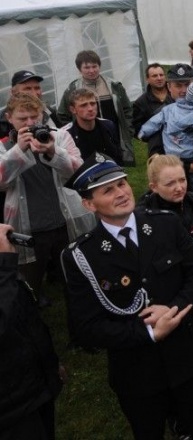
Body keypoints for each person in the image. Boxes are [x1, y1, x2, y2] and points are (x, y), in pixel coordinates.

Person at [61, 153, 193, 439]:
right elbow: (86, 328)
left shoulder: (165, 224)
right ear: (89, 204)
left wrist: (172, 309)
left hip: (189, 358)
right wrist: (148, 334)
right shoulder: (80, 257)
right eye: (108, 190)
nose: (122, 192)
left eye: (123, 183)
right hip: (137, 373)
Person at [0, 94, 92, 305]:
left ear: (42, 115)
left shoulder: (59, 137)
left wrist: (52, 151)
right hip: (27, 228)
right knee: (27, 285)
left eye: (35, 117)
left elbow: (79, 171)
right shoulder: (3, 147)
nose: (30, 124)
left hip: (65, 223)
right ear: (9, 118)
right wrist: (18, 150)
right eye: (23, 118)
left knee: (75, 282)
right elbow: (1, 180)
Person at [137, 154, 193, 357]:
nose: (179, 187)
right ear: (153, 187)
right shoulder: (144, 220)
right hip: (173, 300)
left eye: (182, 180)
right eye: (170, 183)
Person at [0, 222, 63, 440]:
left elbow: (24, 316)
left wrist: (48, 362)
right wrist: (4, 266)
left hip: (32, 385)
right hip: (11, 410)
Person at [57, 50, 134, 166]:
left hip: (112, 134)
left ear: (99, 66)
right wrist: (74, 131)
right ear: (79, 69)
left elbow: (127, 109)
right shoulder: (72, 89)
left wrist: (127, 130)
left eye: (95, 66)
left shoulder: (114, 86)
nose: (92, 71)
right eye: (87, 67)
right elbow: (62, 113)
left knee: (115, 164)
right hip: (85, 137)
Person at [139, 81, 193, 198]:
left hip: (171, 155)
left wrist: (143, 132)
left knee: (173, 181)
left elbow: (154, 122)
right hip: (190, 156)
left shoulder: (169, 109)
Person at [60, 88, 123, 165]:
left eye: (93, 104)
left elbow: (118, 157)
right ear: (73, 109)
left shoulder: (108, 125)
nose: (90, 109)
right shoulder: (65, 134)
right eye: (83, 105)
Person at [0, 70, 61, 138]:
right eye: (27, 89)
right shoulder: (2, 123)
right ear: (13, 92)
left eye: (37, 88)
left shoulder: (49, 111)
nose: (34, 93)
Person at [131, 63, 171, 137]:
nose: (159, 78)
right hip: (157, 145)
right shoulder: (141, 102)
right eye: (154, 76)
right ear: (147, 79)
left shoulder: (175, 93)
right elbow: (137, 129)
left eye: (161, 75)